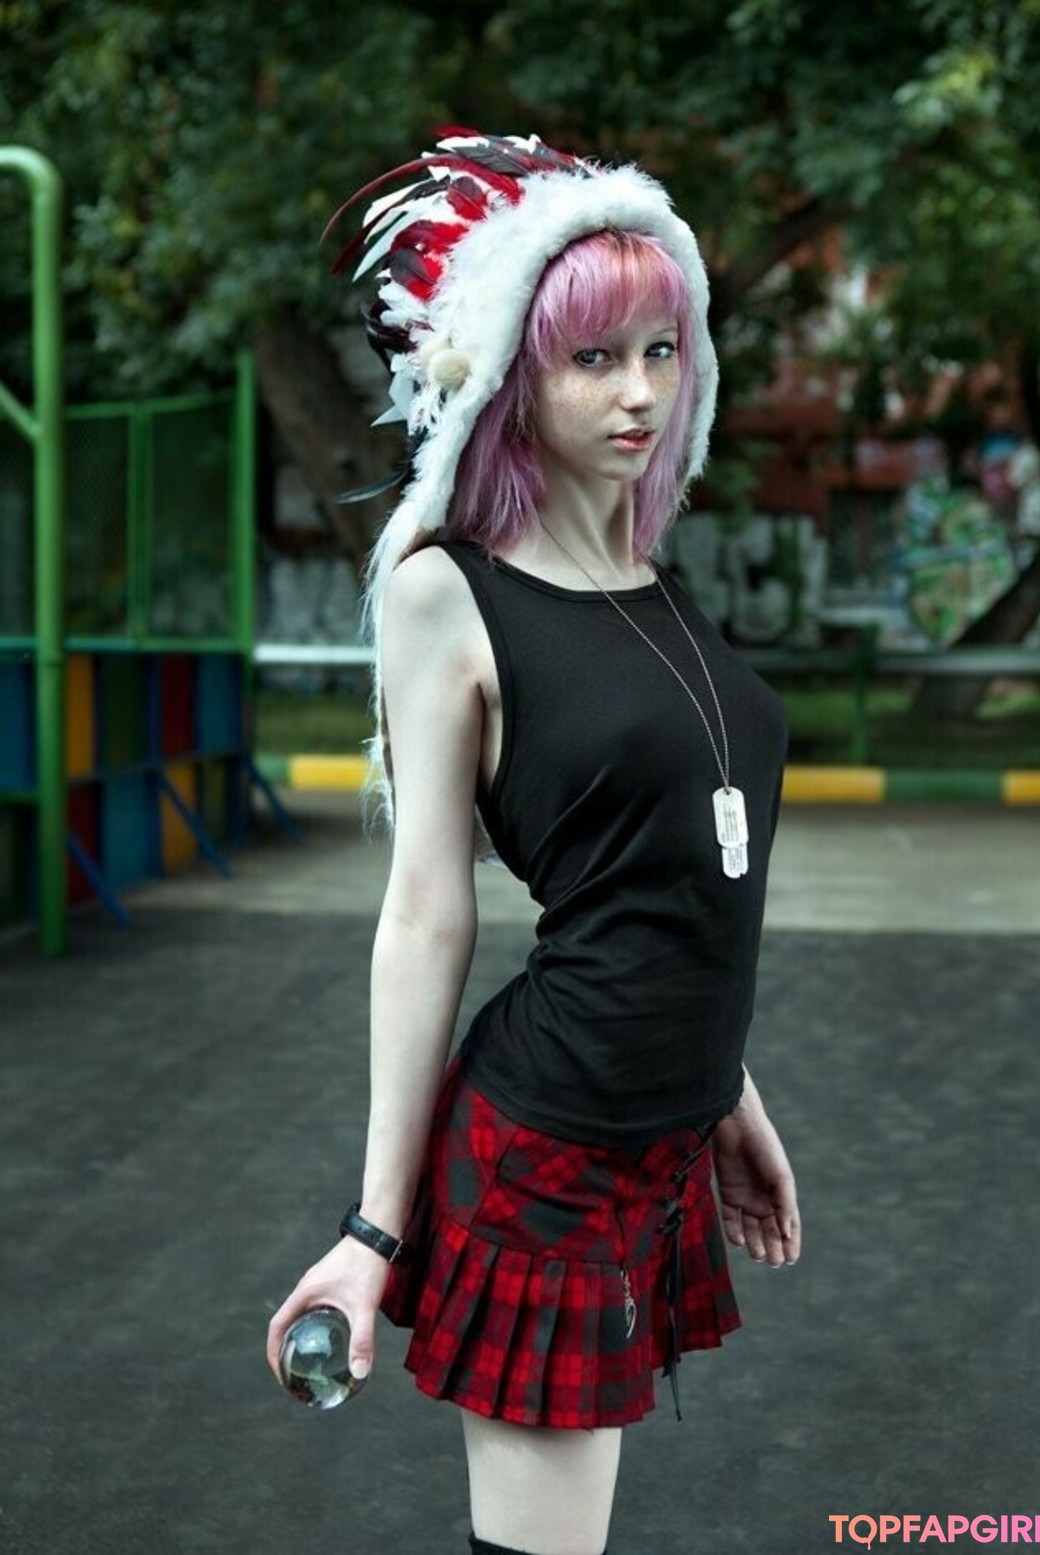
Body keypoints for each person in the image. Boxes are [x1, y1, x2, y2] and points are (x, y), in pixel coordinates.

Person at [266, 130, 801, 1555]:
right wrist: (374, 1233)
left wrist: (727, 1093)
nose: (640, 393)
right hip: (547, 1149)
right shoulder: (446, 594)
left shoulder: (650, 579)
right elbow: (425, 911)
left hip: (660, 1134)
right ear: (511, 371)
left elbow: (667, 879)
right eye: (592, 359)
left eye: (661, 351)